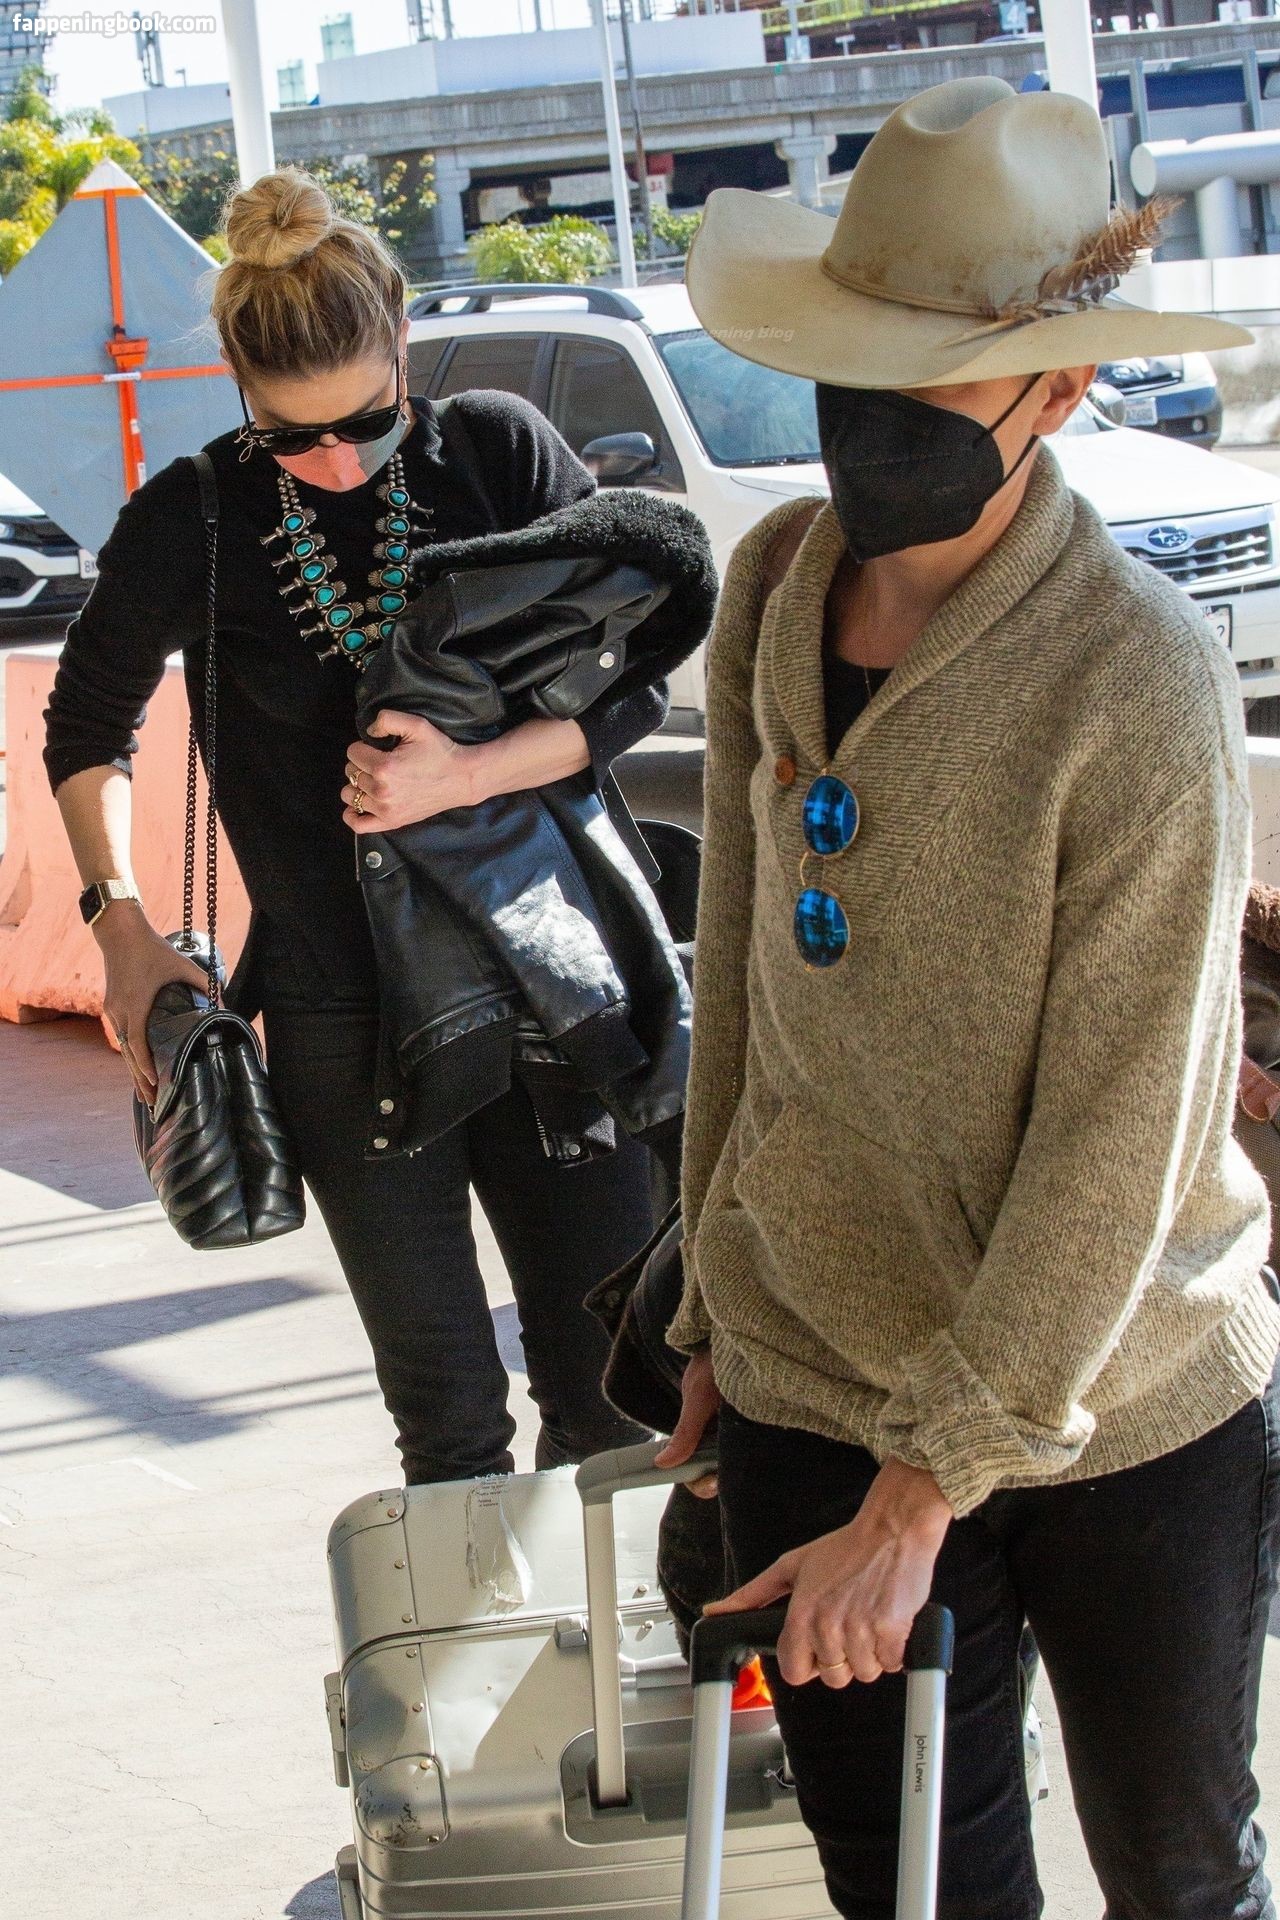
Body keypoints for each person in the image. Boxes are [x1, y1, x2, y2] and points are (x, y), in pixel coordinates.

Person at [656, 76, 1280, 1919]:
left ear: (1058, 392)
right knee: (906, 1884)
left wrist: (925, 1494)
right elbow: (743, 971)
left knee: (1179, 1872)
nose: (868, 425)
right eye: (845, 370)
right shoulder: (775, 582)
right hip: (816, 1365)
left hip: (1123, 1395)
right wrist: (709, 1297)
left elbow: (1121, 1137)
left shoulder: (1136, 684)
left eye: (924, 390)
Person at [42, 166, 698, 1487]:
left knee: (613, 1399)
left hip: (546, 980)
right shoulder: (199, 517)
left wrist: (472, 773)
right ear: (240, 387)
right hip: (340, 1015)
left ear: (402, 340)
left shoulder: (501, 454)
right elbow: (85, 723)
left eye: (369, 424)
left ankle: (615, 1632)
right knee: (448, 1427)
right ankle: (473, 1631)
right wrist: (119, 927)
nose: (340, 463)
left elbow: (634, 683)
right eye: (296, 441)